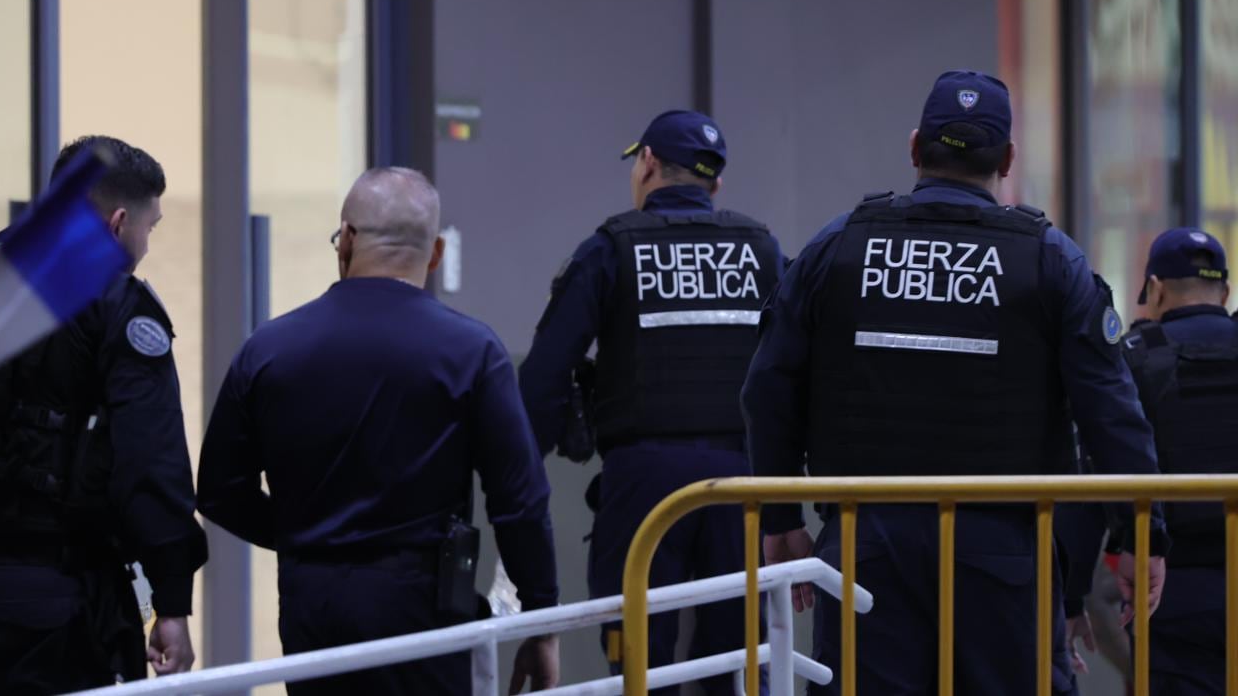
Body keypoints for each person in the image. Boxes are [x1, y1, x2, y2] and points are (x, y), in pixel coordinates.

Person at [741, 71, 1168, 696]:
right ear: (1010, 159)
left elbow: (768, 386)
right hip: (1002, 549)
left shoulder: (838, 248)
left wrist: (779, 514)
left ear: (916, 149)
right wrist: (1141, 534)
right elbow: (1111, 413)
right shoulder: (1051, 262)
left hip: (865, 543)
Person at [196, 167, 560, 695]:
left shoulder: (268, 350)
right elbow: (519, 501)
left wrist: (305, 537)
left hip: (312, 603)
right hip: (425, 606)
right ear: (434, 253)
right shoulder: (472, 352)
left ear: (345, 239)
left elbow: (219, 492)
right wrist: (542, 621)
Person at [519, 110, 783, 693]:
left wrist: (519, 475)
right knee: (738, 658)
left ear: (646, 165)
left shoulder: (611, 248)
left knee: (639, 657)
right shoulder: (761, 250)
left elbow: (545, 371)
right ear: (714, 183)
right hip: (741, 482)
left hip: (643, 481)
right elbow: (792, 369)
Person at [0, 136, 209, 693]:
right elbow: (149, 462)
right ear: (118, 224)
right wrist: (171, 604)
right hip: (54, 606)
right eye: (150, 228)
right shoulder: (116, 305)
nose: (145, 244)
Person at [1120, 227, 1237, 695]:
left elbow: (1100, 460)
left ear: (1155, 288)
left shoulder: (1134, 358)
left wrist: (1067, 599)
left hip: (1170, 591)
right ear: (1225, 291)